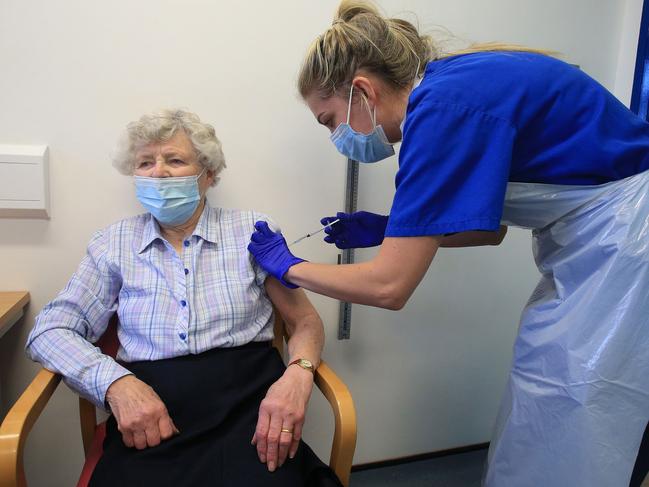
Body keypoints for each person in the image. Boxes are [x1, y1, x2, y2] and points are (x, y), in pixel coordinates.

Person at [247, 1, 649, 485]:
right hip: (601, 241)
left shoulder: (441, 112)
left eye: (329, 120)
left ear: (361, 91)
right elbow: (487, 228)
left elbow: (389, 286)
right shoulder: (450, 86)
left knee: (584, 397)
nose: (335, 135)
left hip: (630, 241)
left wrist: (290, 266)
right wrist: (389, 225)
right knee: (549, 380)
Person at [26, 109, 342, 487]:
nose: (157, 172)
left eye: (174, 160)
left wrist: (298, 376)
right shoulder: (113, 244)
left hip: (248, 409)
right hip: (150, 414)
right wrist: (115, 385)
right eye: (145, 162)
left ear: (207, 174)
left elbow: (303, 321)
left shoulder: (252, 232)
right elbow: (50, 330)